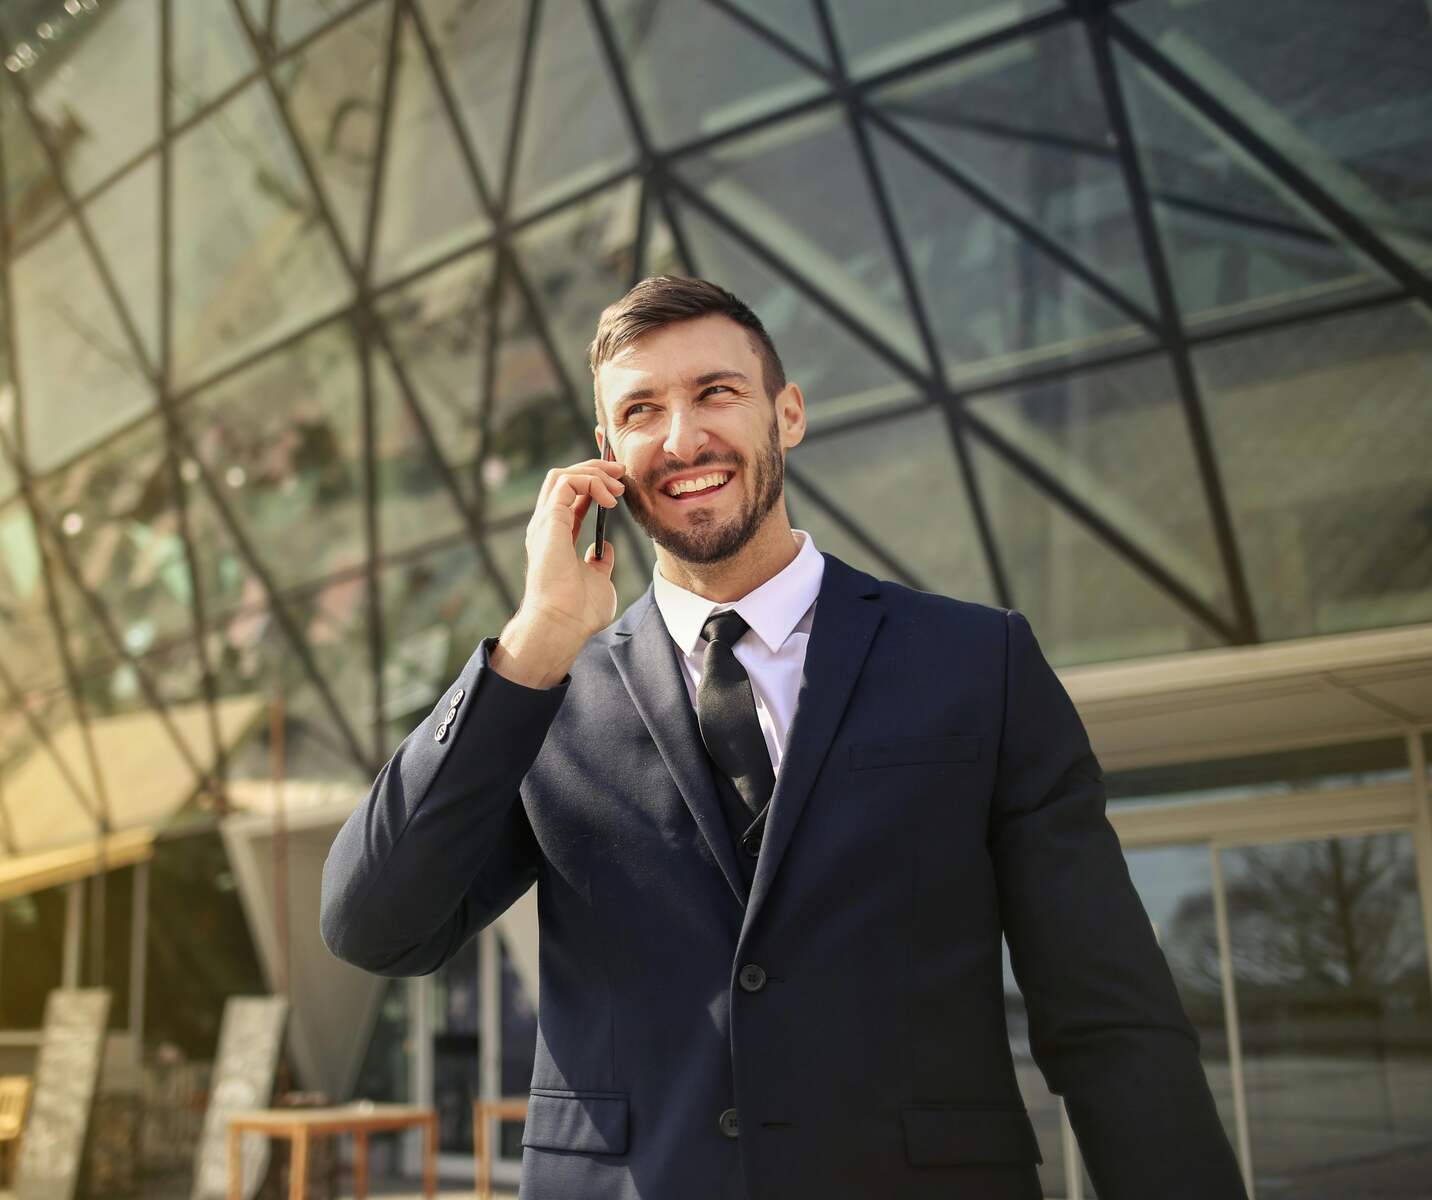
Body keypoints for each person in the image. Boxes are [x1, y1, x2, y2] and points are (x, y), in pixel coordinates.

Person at [321, 276, 1244, 1199]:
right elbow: (374, 926)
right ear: (607, 454)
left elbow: (1109, 1015)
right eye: (642, 411)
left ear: (787, 413)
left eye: (715, 393)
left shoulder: (977, 663)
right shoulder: (544, 699)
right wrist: (533, 642)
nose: (682, 438)